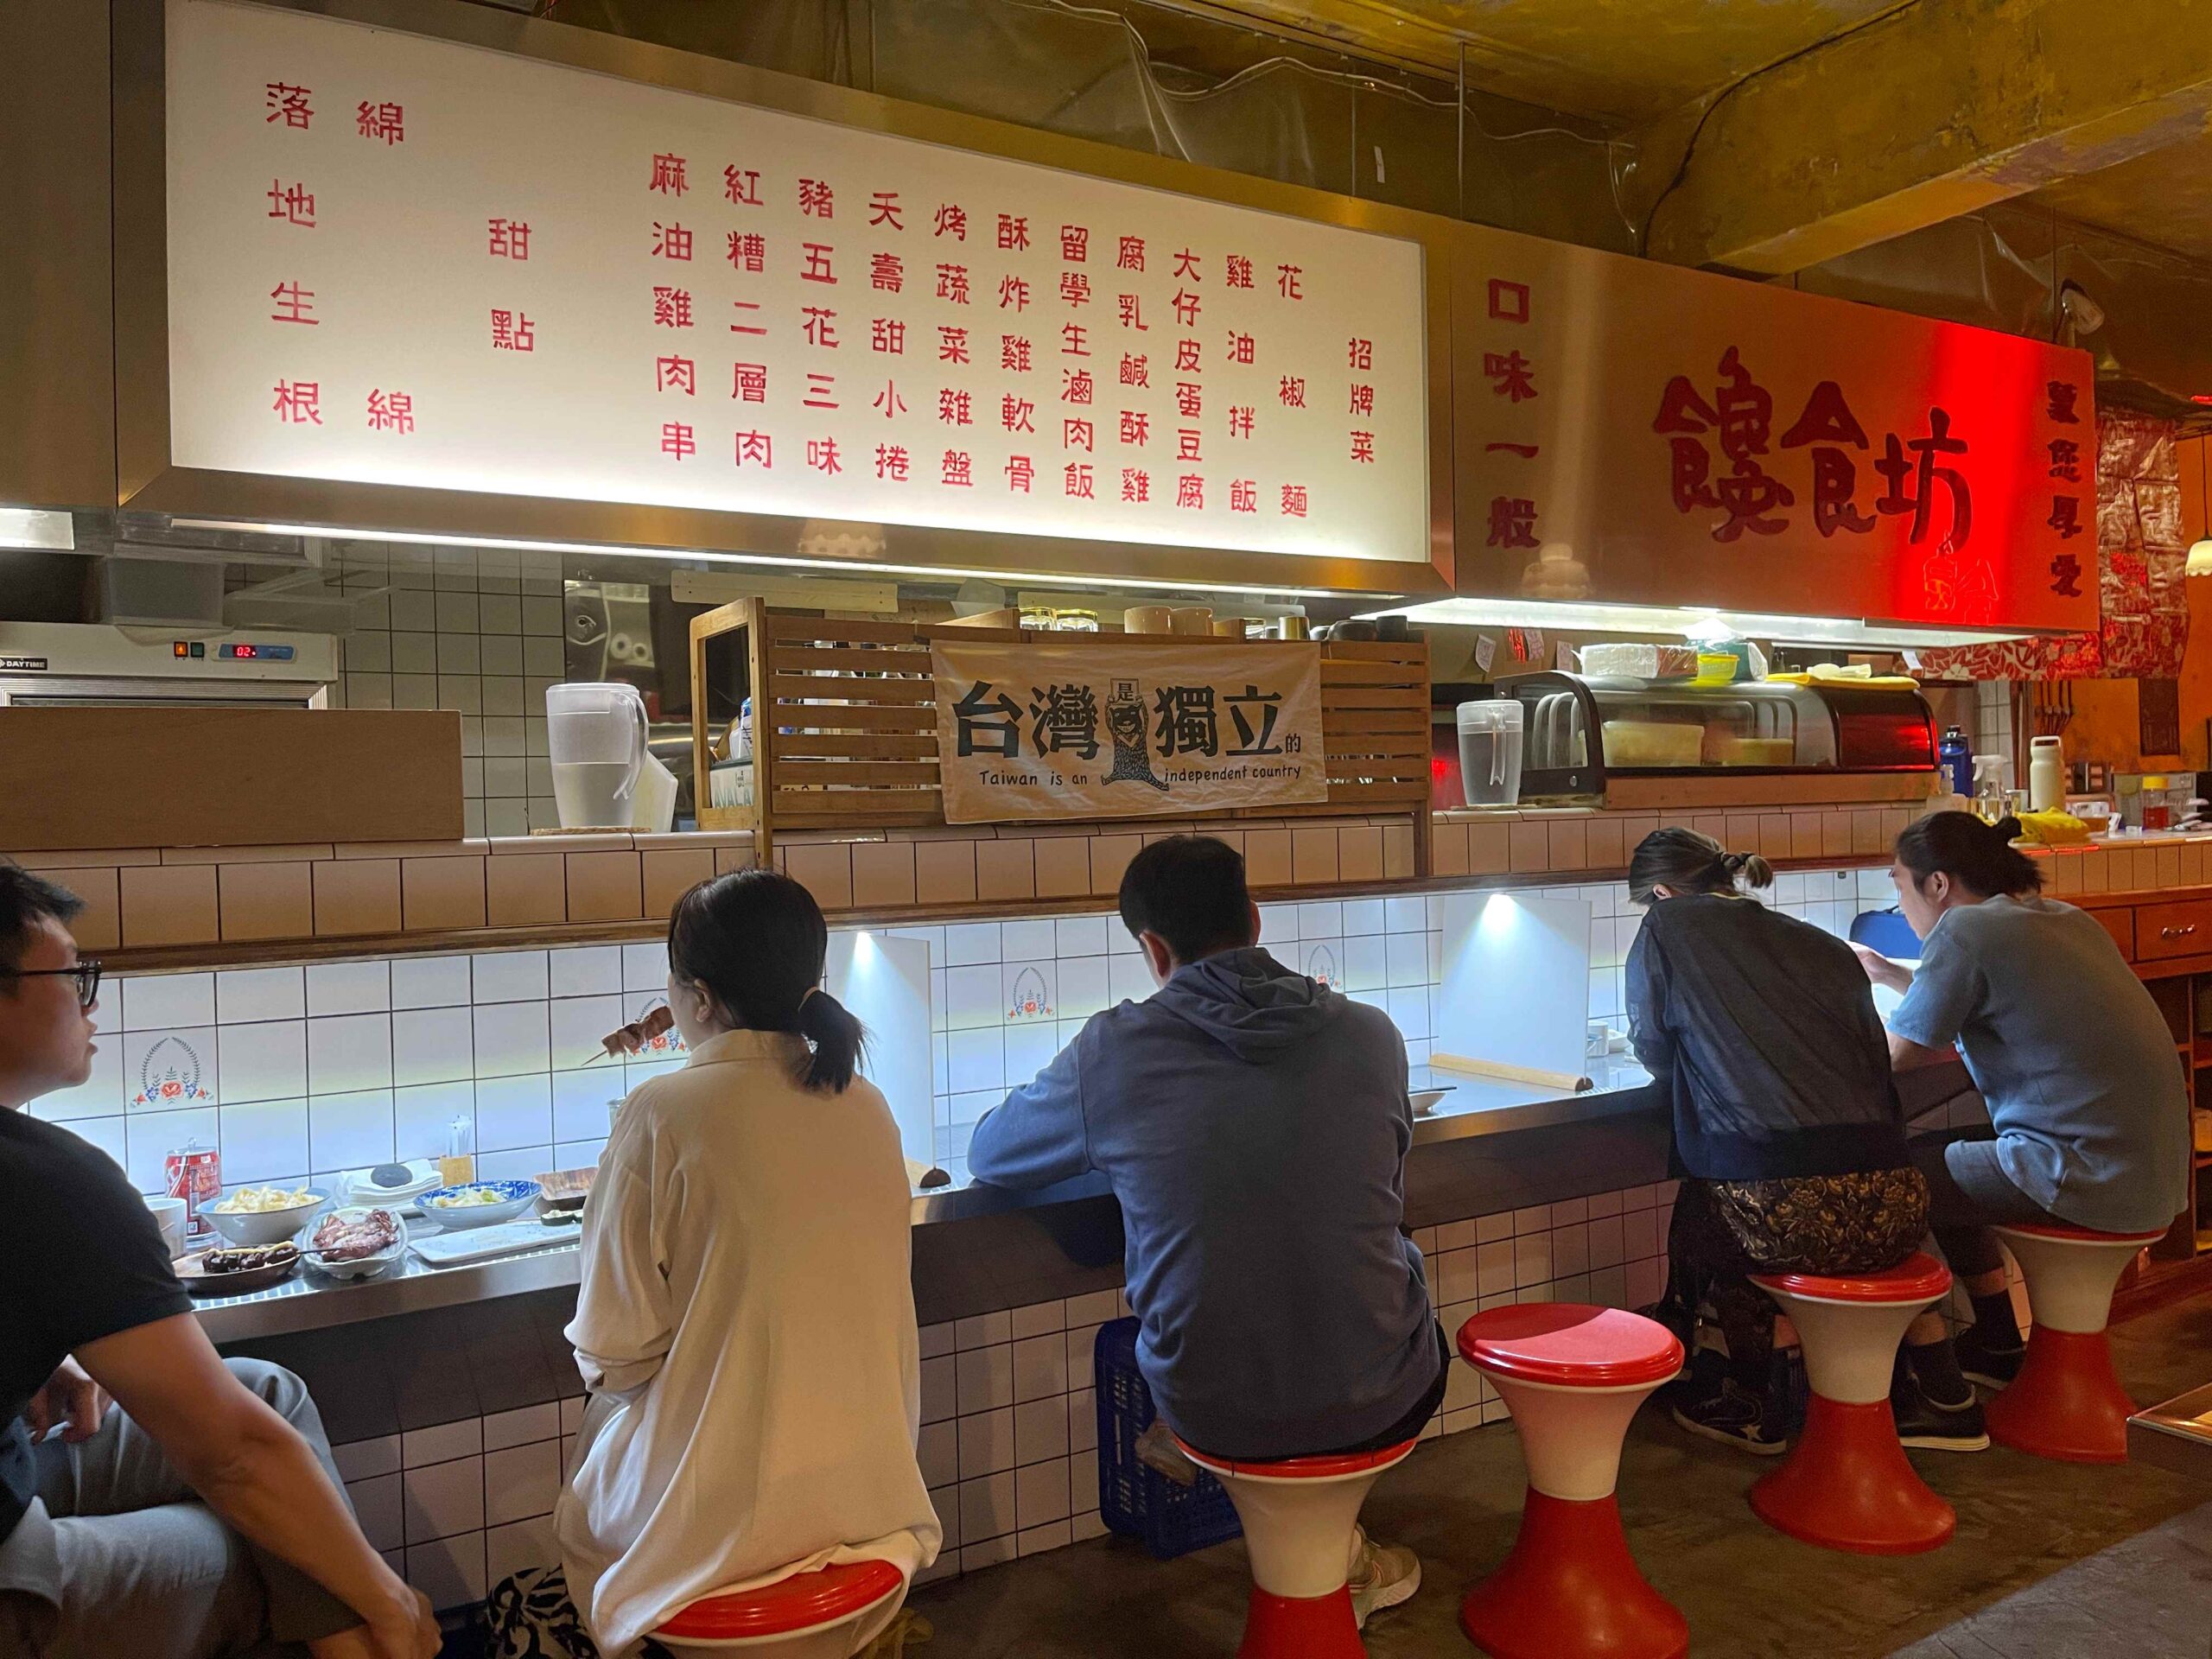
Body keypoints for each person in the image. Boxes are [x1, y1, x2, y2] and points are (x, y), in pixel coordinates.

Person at [966, 836, 1441, 1629]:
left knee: (1217, 1314)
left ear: (1153, 949)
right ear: (1255, 920)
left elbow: (992, 1154)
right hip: (1388, 1391)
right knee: (1393, 1263)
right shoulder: (1372, 1034)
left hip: (1212, 1407)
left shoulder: (1113, 1053)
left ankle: (1310, 1552)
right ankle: (1340, 1561)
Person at [0, 866, 439, 1659]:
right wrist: (392, 1596)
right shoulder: (48, 1180)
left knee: (268, 1394)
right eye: (74, 974)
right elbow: (232, 1456)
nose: (93, 1002)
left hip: (14, 1456)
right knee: (265, 1544)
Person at [555, 870, 940, 1659]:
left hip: (714, 1539)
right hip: (873, 1508)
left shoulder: (661, 1112)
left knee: (587, 1498)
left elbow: (611, 1349)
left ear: (697, 998)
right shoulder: (866, 1104)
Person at [1858, 812, 2190, 1416]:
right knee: (1951, 1158)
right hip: (2156, 1172)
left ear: (1937, 885)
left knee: (1895, 1178)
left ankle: (1935, 1387)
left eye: (1899, 885)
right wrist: (1884, 972)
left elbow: (1901, 1054)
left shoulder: (1965, 933)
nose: (1899, 905)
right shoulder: (2059, 918)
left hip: (2086, 1173)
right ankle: (1995, 1340)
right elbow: (1971, 1000)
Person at [1623, 830, 1930, 1454]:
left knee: (1711, 1205)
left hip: (1794, 1220)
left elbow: (1653, 1048)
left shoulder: (1666, 929)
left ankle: (1752, 1400)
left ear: (1661, 893)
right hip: (1898, 1207)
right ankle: (1911, 1388)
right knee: (1728, 1193)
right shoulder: (1820, 944)